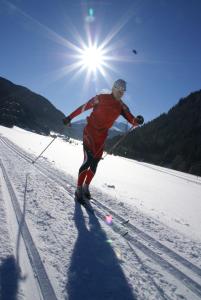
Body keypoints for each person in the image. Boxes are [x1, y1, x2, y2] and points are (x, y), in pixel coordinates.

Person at [63, 79, 144, 203]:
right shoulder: (101, 98)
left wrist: (137, 120)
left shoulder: (122, 106)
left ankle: (85, 187)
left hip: (101, 138)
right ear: (113, 88)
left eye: (123, 91)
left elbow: (131, 119)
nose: (121, 93)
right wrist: (69, 117)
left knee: (94, 165)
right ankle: (78, 188)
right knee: (87, 160)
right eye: (119, 90)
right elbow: (84, 107)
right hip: (90, 132)